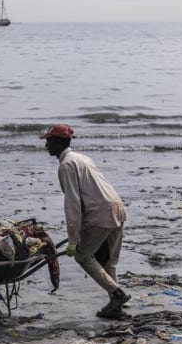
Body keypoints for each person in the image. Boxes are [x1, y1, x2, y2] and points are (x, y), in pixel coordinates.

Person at [40, 123, 130, 318]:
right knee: (108, 262)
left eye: (48, 141)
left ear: (58, 142)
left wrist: (73, 239)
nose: (46, 145)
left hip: (101, 213)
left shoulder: (66, 165)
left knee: (83, 256)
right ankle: (117, 305)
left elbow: (73, 203)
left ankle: (117, 294)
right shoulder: (82, 158)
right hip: (117, 207)